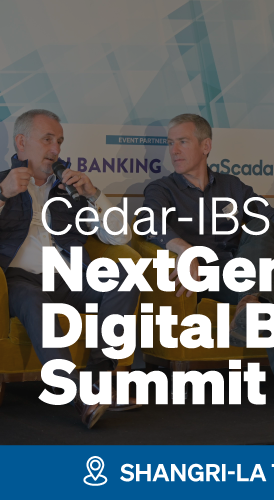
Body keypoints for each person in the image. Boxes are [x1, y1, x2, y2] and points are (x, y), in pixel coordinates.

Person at [140, 113, 274, 410]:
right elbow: (148, 222)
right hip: (201, 276)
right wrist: (185, 250)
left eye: (183, 142)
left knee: (264, 236)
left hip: (238, 269)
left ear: (206, 146)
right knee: (272, 272)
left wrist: (257, 229)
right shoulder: (162, 189)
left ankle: (251, 301)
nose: (174, 150)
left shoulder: (233, 187)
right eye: (170, 143)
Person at [0, 109, 140, 428]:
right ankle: (78, 394)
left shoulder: (70, 188)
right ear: (21, 142)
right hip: (19, 280)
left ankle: (100, 379)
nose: (56, 150)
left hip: (69, 276)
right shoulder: (2, 182)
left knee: (124, 279)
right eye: (47, 140)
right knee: (35, 303)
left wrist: (93, 195)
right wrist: (3, 194)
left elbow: (120, 236)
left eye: (60, 142)